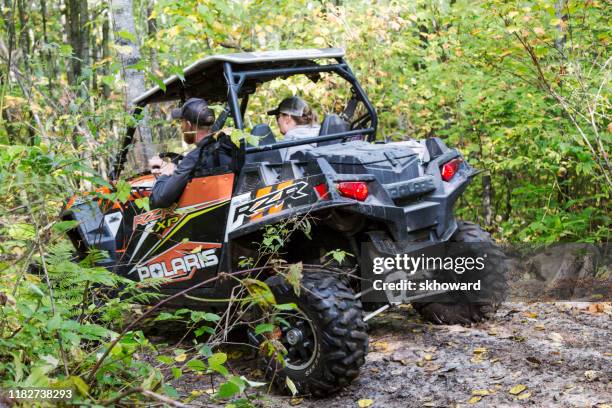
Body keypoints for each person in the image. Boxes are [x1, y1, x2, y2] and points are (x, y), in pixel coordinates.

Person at [148, 98, 238, 209]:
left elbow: (160, 200)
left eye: (182, 122)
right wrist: (175, 168)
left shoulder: (195, 157)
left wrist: (164, 174)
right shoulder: (228, 144)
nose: (181, 127)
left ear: (189, 125)